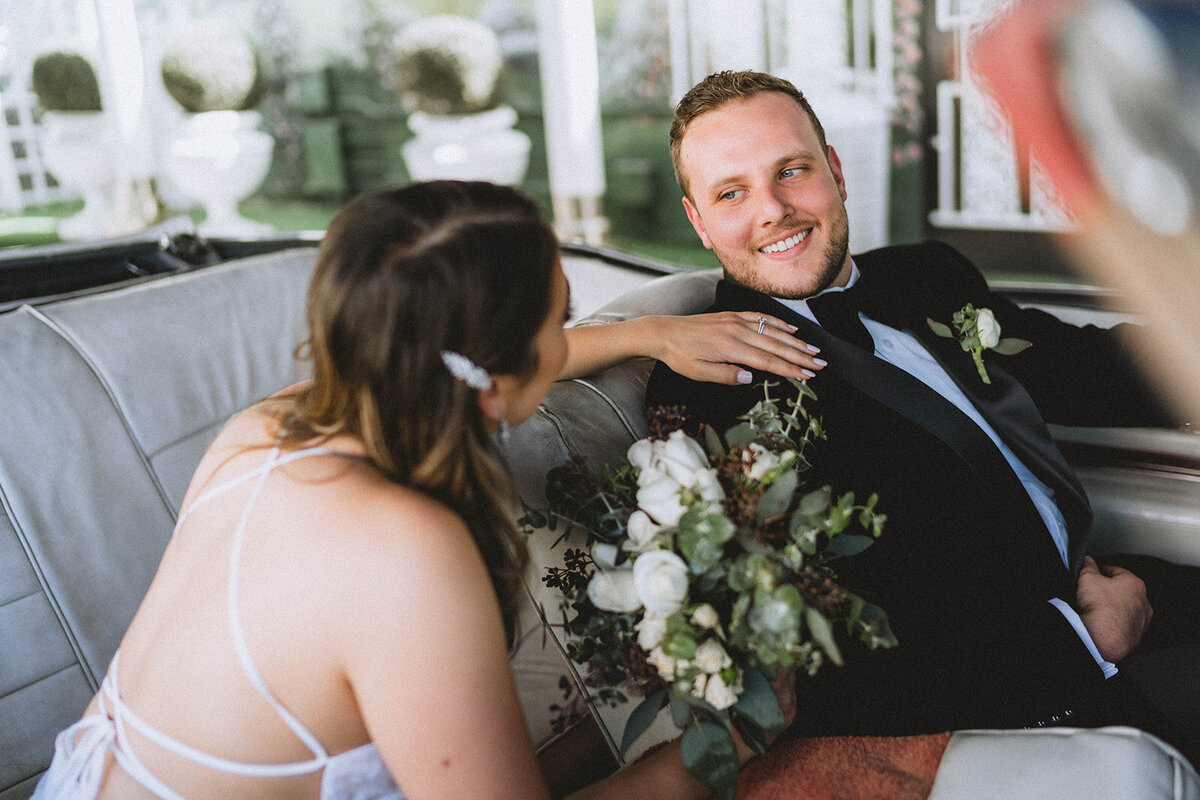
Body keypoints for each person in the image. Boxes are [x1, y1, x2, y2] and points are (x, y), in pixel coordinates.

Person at [34, 180, 806, 800]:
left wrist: (648, 333)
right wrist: (711, 755)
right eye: (558, 316)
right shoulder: (405, 548)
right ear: (492, 373)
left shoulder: (271, 426)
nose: (567, 336)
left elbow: (498, 364)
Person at [644, 70, 1200, 760]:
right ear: (697, 221)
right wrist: (1087, 641)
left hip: (1102, 579)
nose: (773, 210)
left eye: (792, 171)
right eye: (732, 193)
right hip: (1011, 686)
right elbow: (825, 651)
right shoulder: (714, 386)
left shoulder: (925, 275)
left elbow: (1082, 367)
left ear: (836, 171)